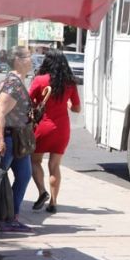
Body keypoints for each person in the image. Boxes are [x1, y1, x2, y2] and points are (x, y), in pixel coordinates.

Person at [0, 46, 35, 233]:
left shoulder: (18, 81)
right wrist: (0, 140)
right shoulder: (12, 84)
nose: (32, 60)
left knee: (23, 176)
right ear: (18, 60)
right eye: (29, 56)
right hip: (6, 139)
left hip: (17, 139)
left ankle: (10, 219)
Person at [29, 49, 81, 214]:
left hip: (43, 127)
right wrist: (67, 105)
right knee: (55, 165)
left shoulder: (40, 80)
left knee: (35, 161)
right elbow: (77, 108)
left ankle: (42, 191)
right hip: (62, 129)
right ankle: (53, 202)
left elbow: (27, 101)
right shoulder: (70, 82)